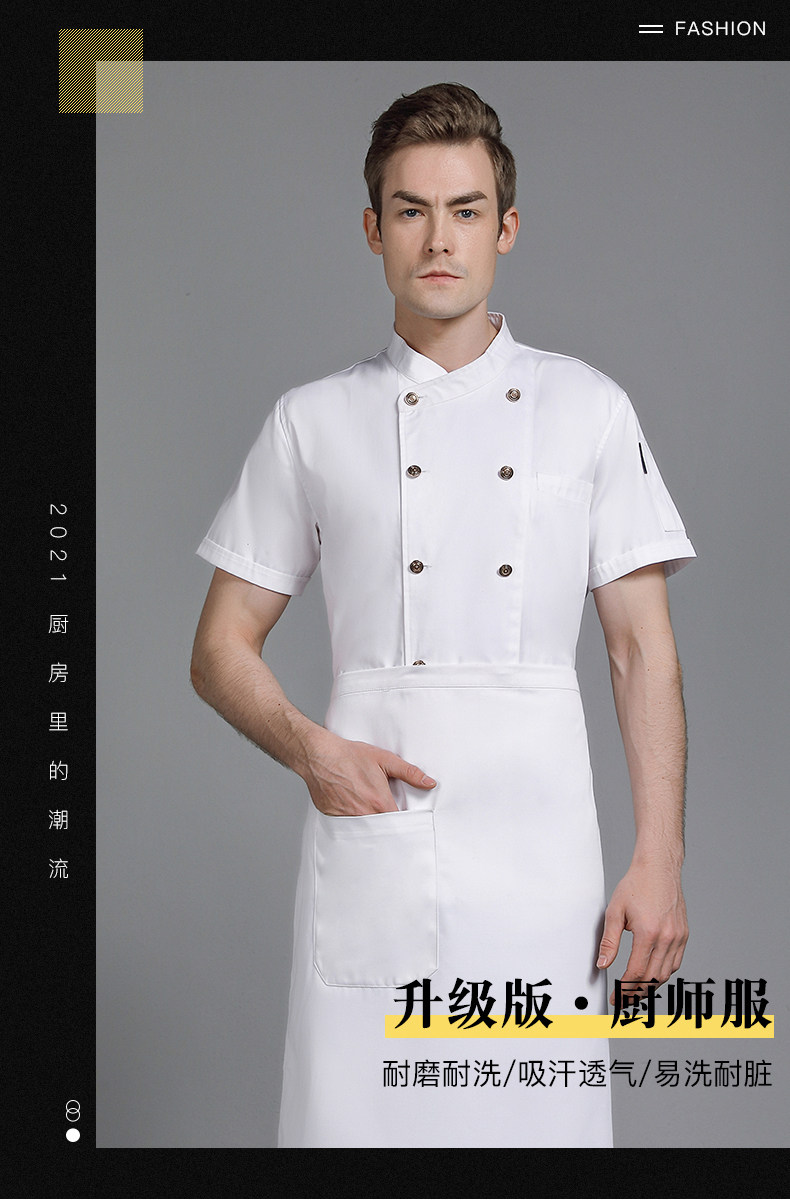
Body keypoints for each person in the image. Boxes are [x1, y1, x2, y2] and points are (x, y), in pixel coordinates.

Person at [190, 82, 695, 1148]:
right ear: (373, 230)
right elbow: (219, 647)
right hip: (375, 836)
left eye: (465, 210)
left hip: (544, 861)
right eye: (410, 210)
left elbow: (640, 650)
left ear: (505, 229)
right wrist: (313, 752)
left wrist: (659, 860)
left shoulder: (589, 409)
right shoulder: (311, 422)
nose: (438, 239)